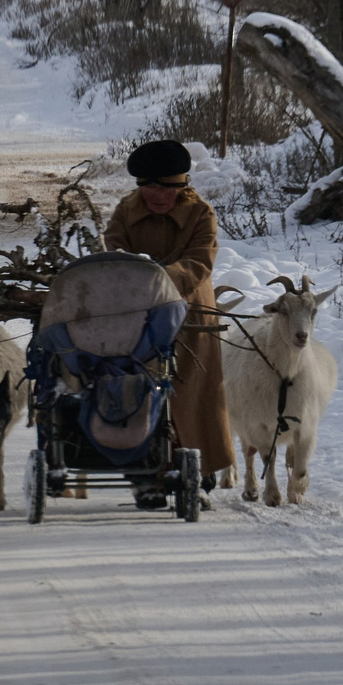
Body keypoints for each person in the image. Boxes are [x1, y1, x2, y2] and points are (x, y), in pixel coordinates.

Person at [101, 139, 235, 487]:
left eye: (166, 189)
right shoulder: (126, 211)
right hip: (138, 317)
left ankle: (199, 469)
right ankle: (145, 475)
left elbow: (199, 262)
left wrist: (158, 278)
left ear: (182, 186)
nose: (157, 196)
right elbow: (114, 249)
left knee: (192, 393)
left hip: (191, 316)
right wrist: (133, 276)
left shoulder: (201, 214)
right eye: (150, 188)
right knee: (138, 391)